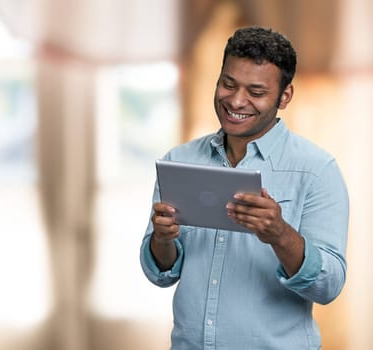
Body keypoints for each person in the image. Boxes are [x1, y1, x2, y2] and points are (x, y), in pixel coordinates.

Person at [140, 26, 349, 349]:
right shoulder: (180, 160)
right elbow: (162, 273)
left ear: (284, 96)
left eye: (256, 91)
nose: (236, 100)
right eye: (228, 84)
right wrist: (163, 239)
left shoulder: (317, 170)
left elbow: (328, 286)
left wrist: (280, 234)